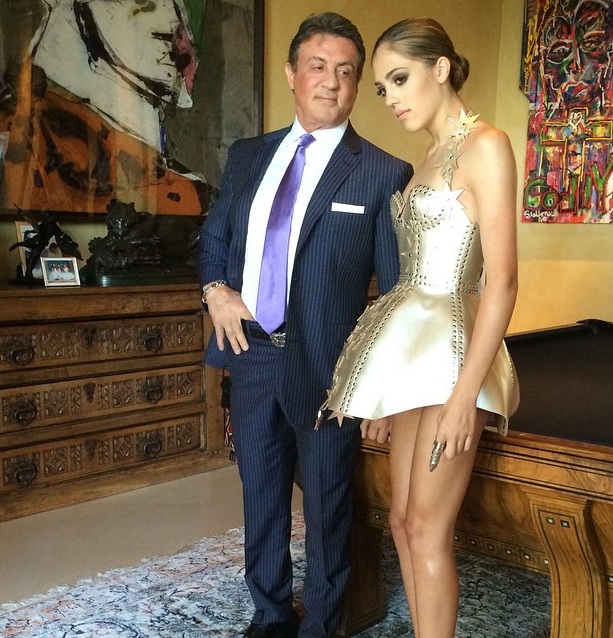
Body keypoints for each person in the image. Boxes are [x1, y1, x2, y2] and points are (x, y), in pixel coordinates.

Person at [196, 12, 412, 638]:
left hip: (329, 368)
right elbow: (214, 238)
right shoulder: (248, 156)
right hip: (251, 351)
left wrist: (379, 390)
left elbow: (396, 293)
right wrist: (215, 290)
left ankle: (321, 624)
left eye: (346, 71)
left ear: (356, 84)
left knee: (327, 504)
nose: (331, 81)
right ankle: (269, 616)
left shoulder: (383, 172)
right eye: (318, 66)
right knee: (260, 495)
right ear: (293, 73)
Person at [322, 17, 519, 638]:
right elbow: (410, 286)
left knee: (429, 530)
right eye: (382, 88)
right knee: (403, 523)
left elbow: (502, 282)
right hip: (411, 356)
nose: (391, 98)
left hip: (454, 357)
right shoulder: (427, 157)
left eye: (400, 79)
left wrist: (465, 396)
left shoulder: (486, 145)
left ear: (441, 67)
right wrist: (385, 394)